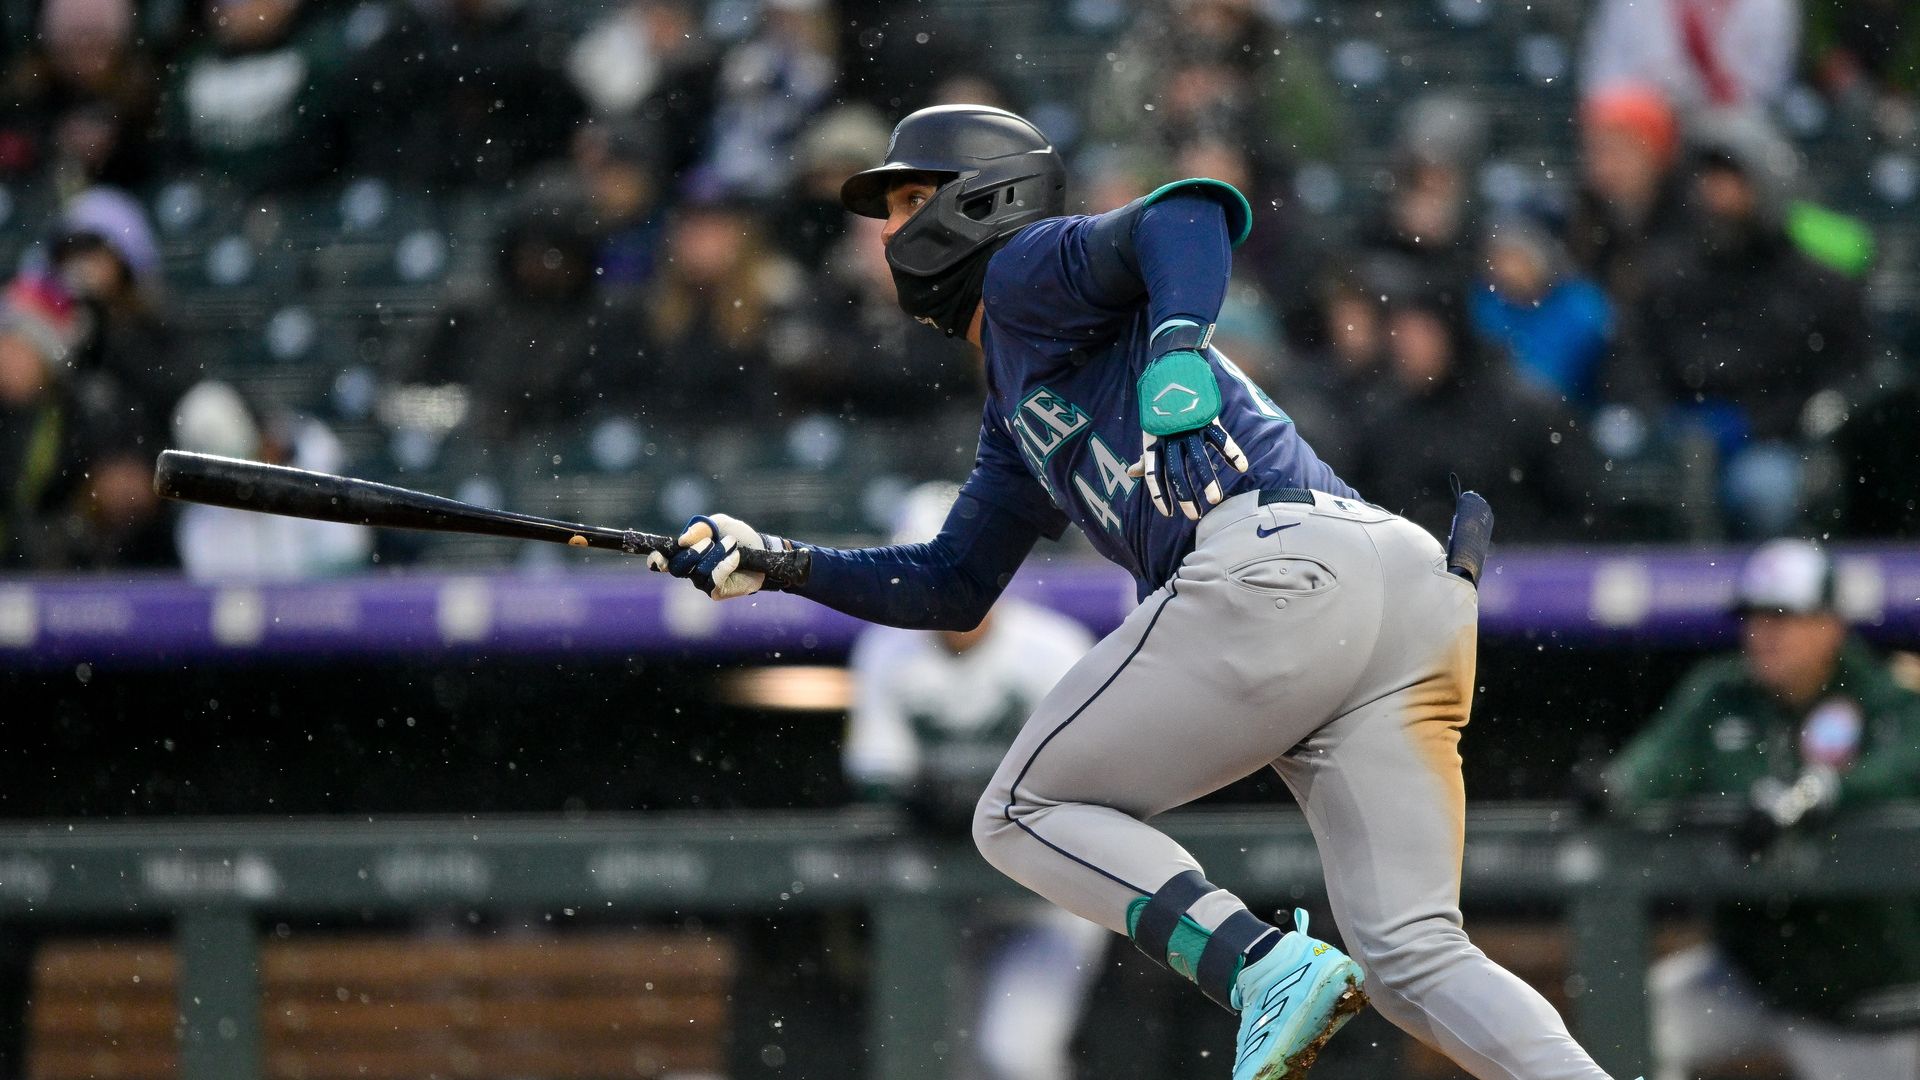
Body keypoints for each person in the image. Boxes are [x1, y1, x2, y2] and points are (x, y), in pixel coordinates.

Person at [651, 104, 1617, 1080]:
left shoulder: (1027, 270)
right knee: (1412, 956)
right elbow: (949, 586)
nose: (890, 230)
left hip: (1277, 562)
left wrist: (1178, 349)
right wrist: (775, 560)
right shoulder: (1014, 402)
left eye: (909, 198)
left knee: (1018, 810)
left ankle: (1258, 964)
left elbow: (1191, 213)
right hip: (1403, 588)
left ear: (983, 197)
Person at [1607, 539, 1920, 1080]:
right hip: (1754, 973)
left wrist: (1818, 794)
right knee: (1632, 1021)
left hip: (1860, 991)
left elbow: (1903, 766)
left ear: (1831, 624)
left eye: (1785, 616)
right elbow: (1652, 767)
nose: (1764, 633)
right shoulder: (1722, 692)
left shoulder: (1886, 695)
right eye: (1755, 616)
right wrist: (1613, 788)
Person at [845, 483, 1105, 1080]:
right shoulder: (885, 652)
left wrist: (971, 794)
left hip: (1050, 897)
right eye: (927, 572)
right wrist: (952, 795)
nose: (944, 590)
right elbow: (879, 778)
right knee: (941, 1062)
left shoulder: (1054, 647)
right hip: (945, 898)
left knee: (1016, 1058)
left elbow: (1087, 780)